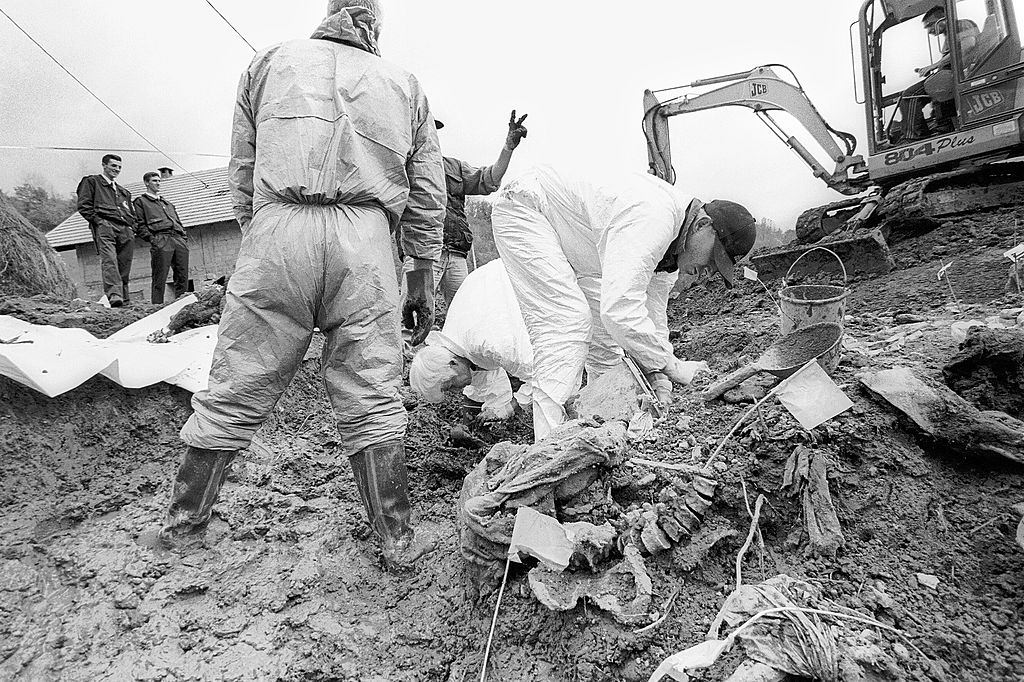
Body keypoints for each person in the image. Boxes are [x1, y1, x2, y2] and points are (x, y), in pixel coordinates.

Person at [159, 0, 446, 571]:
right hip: (364, 240)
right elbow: (426, 191)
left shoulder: (269, 63)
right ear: (373, 25)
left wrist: (262, 234)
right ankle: (395, 539)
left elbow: (242, 169)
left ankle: (183, 525)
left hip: (277, 226)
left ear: (331, 11)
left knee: (237, 381)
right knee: (371, 393)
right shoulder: (404, 85)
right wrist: (420, 273)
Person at [491, 165, 756, 440]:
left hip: (573, 243)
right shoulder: (654, 218)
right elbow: (619, 310)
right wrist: (674, 367)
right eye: (714, 257)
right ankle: (549, 448)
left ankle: (599, 430)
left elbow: (652, 322)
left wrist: (660, 378)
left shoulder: (670, 255)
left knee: (606, 345)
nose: (710, 270)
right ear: (702, 225)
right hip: (527, 208)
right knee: (567, 325)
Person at [401, 112, 528, 310]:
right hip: (420, 255)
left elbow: (489, 179)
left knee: (464, 314)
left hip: (456, 255)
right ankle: (409, 342)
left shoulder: (454, 167)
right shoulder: (402, 165)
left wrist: (508, 147)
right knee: (413, 313)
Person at [409, 258, 533, 422]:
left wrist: (509, 409)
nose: (455, 392)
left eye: (450, 386)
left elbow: (543, 374)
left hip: (531, 275)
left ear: (452, 364)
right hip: (503, 276)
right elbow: (483, 376)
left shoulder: (486, 342)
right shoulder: (454, 344)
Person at [897, 6, 980, 139]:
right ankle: (942, 124)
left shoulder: (960, 25)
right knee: (934, 87)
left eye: (930, 25)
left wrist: (935, 65)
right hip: (952, 75)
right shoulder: (950, 33)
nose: (929, 31)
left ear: (943, 19)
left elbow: (968, 44)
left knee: (909, 95)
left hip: (956, 74)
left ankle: (913, 137)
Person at [76, 154, 136, 307]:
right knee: (110, 260)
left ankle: (125, 298)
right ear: (104, 165)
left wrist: (131, 228)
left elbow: (132, 213)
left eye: (119, 167)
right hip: (105, 227)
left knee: (124, 263)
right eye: (113, 166)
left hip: (125, 230)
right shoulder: (92, 182)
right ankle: (115, 295)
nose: (117, 169)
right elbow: (84, 206)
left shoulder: (123, 192)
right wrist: (100, 222)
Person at [133, 171, 190, 304]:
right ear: (147, 183)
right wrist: (152, 240)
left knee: (182, 275)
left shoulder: (168, 203)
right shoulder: (141, 202)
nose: (158, 183)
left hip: (178, 239)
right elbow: (138, 224)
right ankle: (157, 306)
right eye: (154, 181)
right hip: (161, 239)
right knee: (160, 276)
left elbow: (178, 222)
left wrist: (183, 237)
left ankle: (183, 304)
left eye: (159, 180)